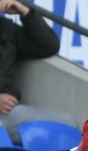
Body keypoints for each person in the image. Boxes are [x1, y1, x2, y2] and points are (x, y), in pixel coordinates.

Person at [0, 0, 59, 136]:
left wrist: (25, 12)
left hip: (8, 113)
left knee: (67, 125)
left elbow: (48, 46)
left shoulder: (6, 29)